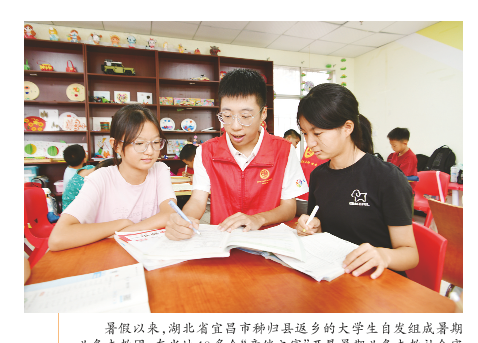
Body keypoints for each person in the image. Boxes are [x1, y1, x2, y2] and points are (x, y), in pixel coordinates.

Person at [165, 68, 308, 240]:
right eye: (226, 115)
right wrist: (184, 220)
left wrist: (258, 219)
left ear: (263, 113)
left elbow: (289, 208)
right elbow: (197, 200)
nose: (235, 126)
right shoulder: (206, 152)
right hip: (223, 243)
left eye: (245, 116)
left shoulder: (284, 151)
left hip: (269, 242)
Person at [296, 83, 418, 279]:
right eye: (305, 133)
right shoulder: (318, 176)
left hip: (378, 281)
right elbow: (324, 230)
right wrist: (313, 228)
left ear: (347, 128)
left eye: (317, 133)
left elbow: (411, 255)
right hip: (335, 277)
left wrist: (383, 255)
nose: (309, 143)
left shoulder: (387, 177)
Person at [49, 104, 177, 251]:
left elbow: (170, 213)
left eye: (156, 142)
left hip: (147, 255)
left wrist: (127, 231)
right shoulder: (100, 178)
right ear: (116, 146)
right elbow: (58, 238)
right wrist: (121, 223)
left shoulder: (160, 170)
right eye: (139, 143)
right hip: (105, 256)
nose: (150, 151)